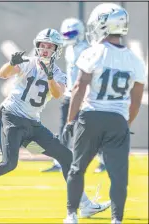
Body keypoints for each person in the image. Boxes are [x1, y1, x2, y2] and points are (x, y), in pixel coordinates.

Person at [0, 28, 110, 216]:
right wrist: (11, 63)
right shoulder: (28, 63)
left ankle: (84, 204)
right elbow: (3, 74)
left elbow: (58, 93)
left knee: (66, 156)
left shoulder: (58, 73)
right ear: (37, 46)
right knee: (9, 164)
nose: (44, 49)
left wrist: (50, 76)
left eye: (49, 46)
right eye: (42, 45)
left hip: (32, 123)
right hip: (12, 117)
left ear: (56, 49)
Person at [63, 3, 146, 224]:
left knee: (77, 168)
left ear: (103, 25)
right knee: (118, 176)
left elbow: (79, 88)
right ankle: (117, 220)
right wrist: (124, 124)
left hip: (91, 115)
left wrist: (70, 121)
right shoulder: (135, 61)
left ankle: (71, 215)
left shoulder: (93, 52)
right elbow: (135, 102)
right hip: (118, 119)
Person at [42, 18, 106, 173]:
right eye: (66, 33)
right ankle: (60, 162)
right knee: (65, 128)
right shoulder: (69, 49)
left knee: (91, 130)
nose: (68, 36)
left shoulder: (87, 49)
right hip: (70, 93)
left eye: (71, 33)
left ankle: (103, 160)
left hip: (85, 95)